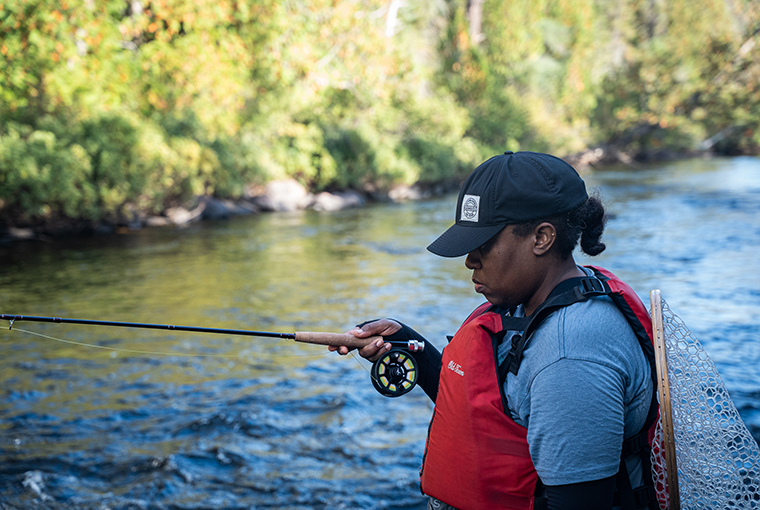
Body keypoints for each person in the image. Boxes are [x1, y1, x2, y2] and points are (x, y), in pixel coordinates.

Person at [331, 151, 659, 510]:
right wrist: (410, 345)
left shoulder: (570, 356)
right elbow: (494, 413)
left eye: (483, 243)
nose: (470, 260)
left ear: (541, 238)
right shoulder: (536, 299)